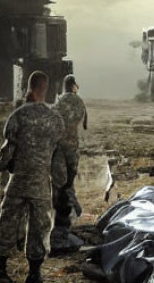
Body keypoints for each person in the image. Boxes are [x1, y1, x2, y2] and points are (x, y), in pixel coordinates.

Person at [0, 71, 64, 283]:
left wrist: (1, 165)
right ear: (45, 88)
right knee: (39, 228)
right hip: (40, 184)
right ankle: (34, 273)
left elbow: (5, 154)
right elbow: (56, 156)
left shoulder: (18, 116)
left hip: (18, 181)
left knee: (7, 223)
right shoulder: (54, 120)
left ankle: (0, 269)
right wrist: (59, 182)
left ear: (28, 86)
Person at [51, 74, 87, 235]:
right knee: (69, 180)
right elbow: (83, 122)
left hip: (59, 147)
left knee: (59, 182)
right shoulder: (79, 101)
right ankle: (71, 213)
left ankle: (62, 216)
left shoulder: (58, 101)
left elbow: (52, 119)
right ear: (73, 85)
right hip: (72, 146)